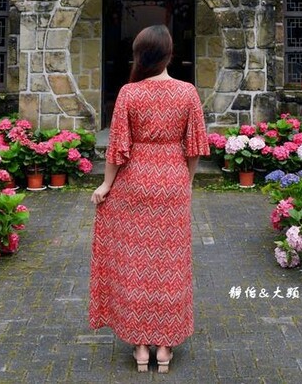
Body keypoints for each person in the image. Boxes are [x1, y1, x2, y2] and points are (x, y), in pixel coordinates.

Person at [89, 24, 210, 373]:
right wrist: (184, 182)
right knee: (170, 264)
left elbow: (117, 150)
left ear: (140, 55)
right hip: (171, 179)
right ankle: (165, 346)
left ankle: (141, 347)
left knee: (135, 262)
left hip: (135, 182)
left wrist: (106, 186)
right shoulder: (187, 93)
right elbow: (195, 148)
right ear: (170, 54)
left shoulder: (129, 93)